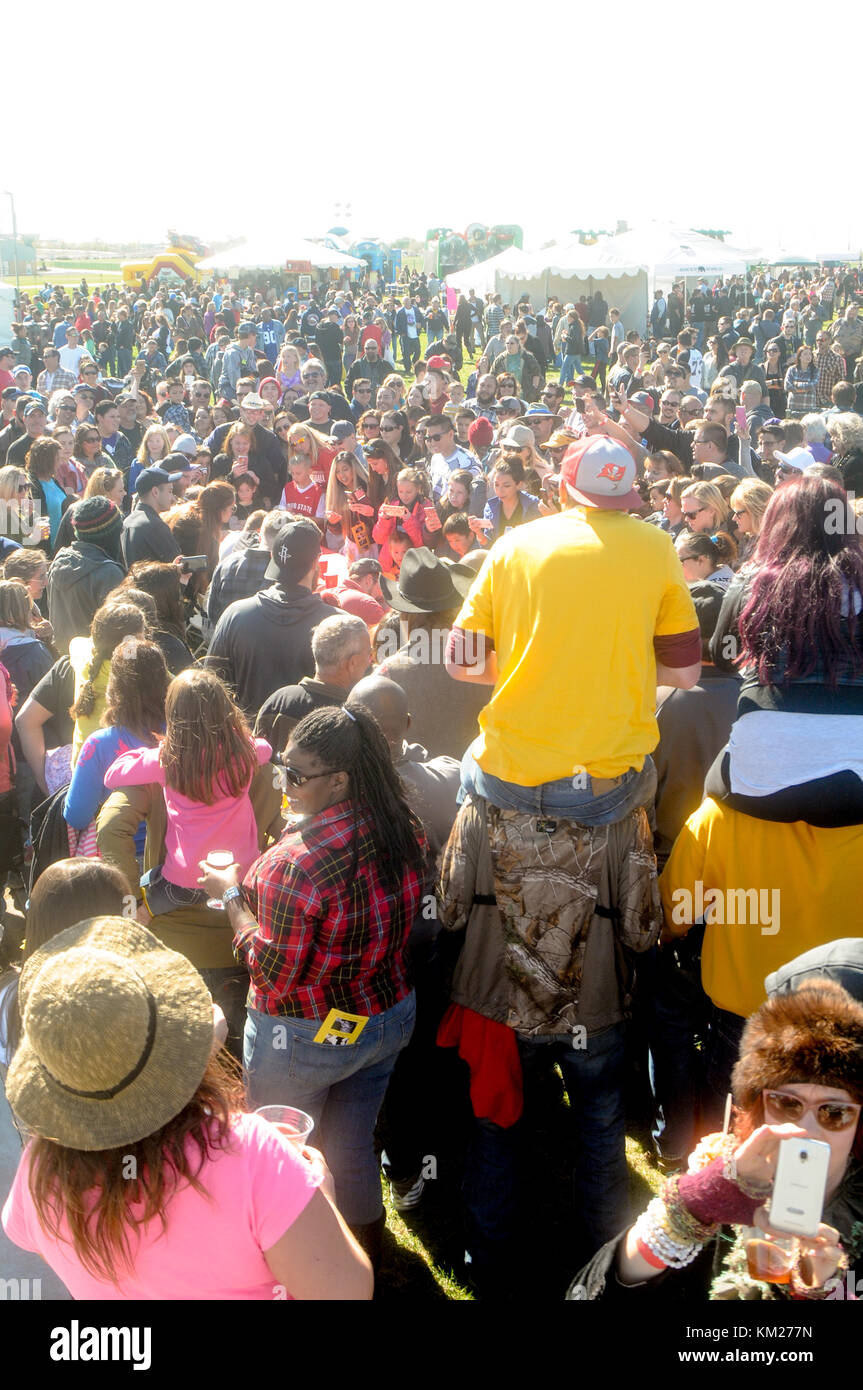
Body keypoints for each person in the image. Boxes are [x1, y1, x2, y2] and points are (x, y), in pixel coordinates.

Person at [1, 915, 372, 1300]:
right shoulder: (252, 1154)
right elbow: (348, 1292)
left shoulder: (39, 1166)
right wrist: (320, 1197)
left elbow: (35, 1238)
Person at [197, 705, 428, 1268]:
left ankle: (291, 1267)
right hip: (387, 1018)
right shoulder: (404, 828)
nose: (286, 782)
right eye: (283, 768)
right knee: (351, 1148)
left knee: (279, 1155)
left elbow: (271, 974)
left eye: (298, 775)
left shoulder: (290, 866)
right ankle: (366, 1261)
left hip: (301, 1040)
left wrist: (232, 896)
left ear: (340, 780)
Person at [447, 435, 700, 821]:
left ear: (563, 488)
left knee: (466, 764)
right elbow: (684, 674)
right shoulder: (659, 545)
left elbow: (460, 663)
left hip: (508, 777)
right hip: (607, 785)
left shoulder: (512, 544)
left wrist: (534, 669)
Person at [571, 980, 863, 1302]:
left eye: (835, 1112)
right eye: (787, 1103)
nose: (807, 1128)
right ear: (759, 1104)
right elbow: (589, 1294)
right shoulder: (726, 1174)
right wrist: (691, 1208)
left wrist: (827, 1292)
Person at [104, 668, 271, 921]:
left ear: (173, 715)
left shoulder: (167, 760)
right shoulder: (246, 753)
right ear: (226, 710)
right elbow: (266, 749)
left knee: (146, 890)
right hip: (240, 874)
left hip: (184, 881)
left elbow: (112, 775)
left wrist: (148, 751)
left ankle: (140, 918)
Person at [205, 517, 332, 718]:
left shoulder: (235, 615)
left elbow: (210, 686)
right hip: (311, 744)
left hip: (247, 742)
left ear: (273, 556)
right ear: (317, 562)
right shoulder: (333, 624)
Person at [64, 638, 169, 857]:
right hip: (174, 856)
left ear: (115, 688)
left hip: (120, 860)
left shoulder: (98, 745)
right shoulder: (183, 734)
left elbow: (76, 816)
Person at [256, 613, 371, 750]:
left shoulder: (278, 701)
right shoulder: (356, 716)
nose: (371, 660)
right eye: (369, 653)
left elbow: (255, 761)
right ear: (353, 663)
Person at [46, 496, 126, 654]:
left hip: (66, 661)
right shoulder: (108, 573)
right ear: (112, 533)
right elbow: (120, 632)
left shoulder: (59, 561)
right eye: (120, 528)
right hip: (96, 666)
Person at [121, 466, 183, 568]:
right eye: (170, 491)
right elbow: (177, 568)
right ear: (155, 492)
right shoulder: (155, 526)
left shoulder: (127, 522)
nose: (173, 498)